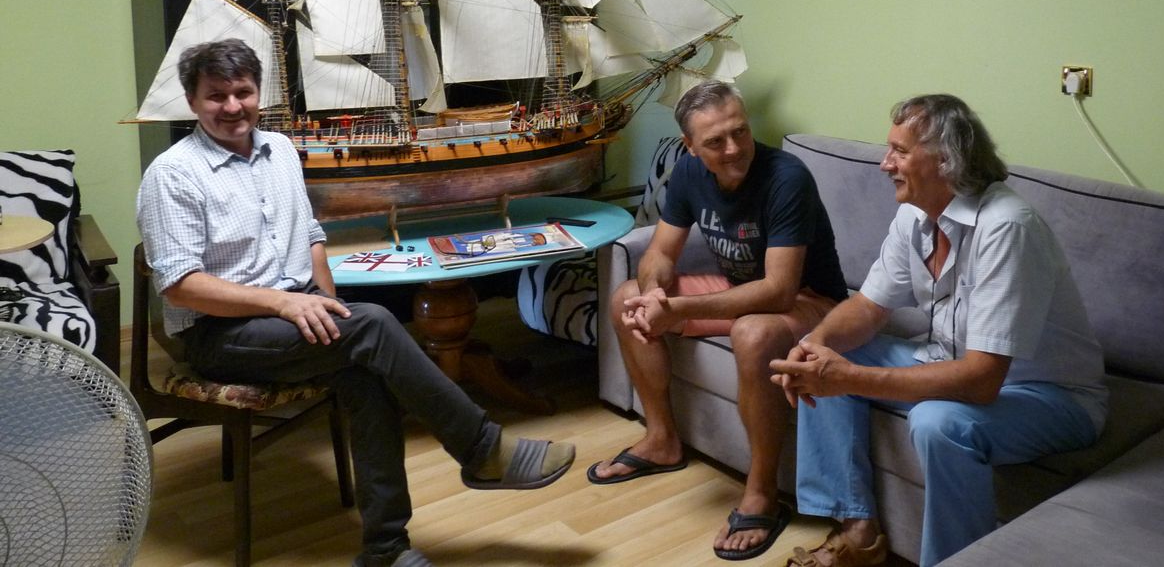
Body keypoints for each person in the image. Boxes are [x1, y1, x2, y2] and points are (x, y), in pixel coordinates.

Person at [136, 39, 576, 567]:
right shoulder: (172, 174)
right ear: (192, 101)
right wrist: (283, 305)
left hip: (291, 311)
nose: (232, 106)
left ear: (259, 93)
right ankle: (482, 449)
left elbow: (310, 236)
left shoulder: (280, 149)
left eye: (243, 92)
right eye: (216, 96)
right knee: (373, 325)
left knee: (366, 373)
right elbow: (180, 285)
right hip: (219, 333)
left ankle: (385, 549)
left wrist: (324, 304)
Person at [770, 94, 1107, 567]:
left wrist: (847, 378)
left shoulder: (1007, 228)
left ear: (947, 159)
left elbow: (982, 380)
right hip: (947, 360)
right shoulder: (914, 214)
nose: (885, 163)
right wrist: (817, 344)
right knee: (817, 356)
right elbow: (867, 306)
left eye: (900, 151)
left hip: (1049, 396)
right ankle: (857, 533)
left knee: (937, 423)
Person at [587, 80, 848, 561]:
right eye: (715, 141)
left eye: (740, 132)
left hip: (811, 301)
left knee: (753, 331)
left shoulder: (787, 177)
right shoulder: (689, 172)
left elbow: (779, 290)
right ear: (690, 145)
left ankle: (761, 493)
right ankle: (662, 440)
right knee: (628, 299)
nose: (733, 149)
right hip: (741, 289)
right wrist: (654, 295)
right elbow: (660, 254)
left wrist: (677, 310)